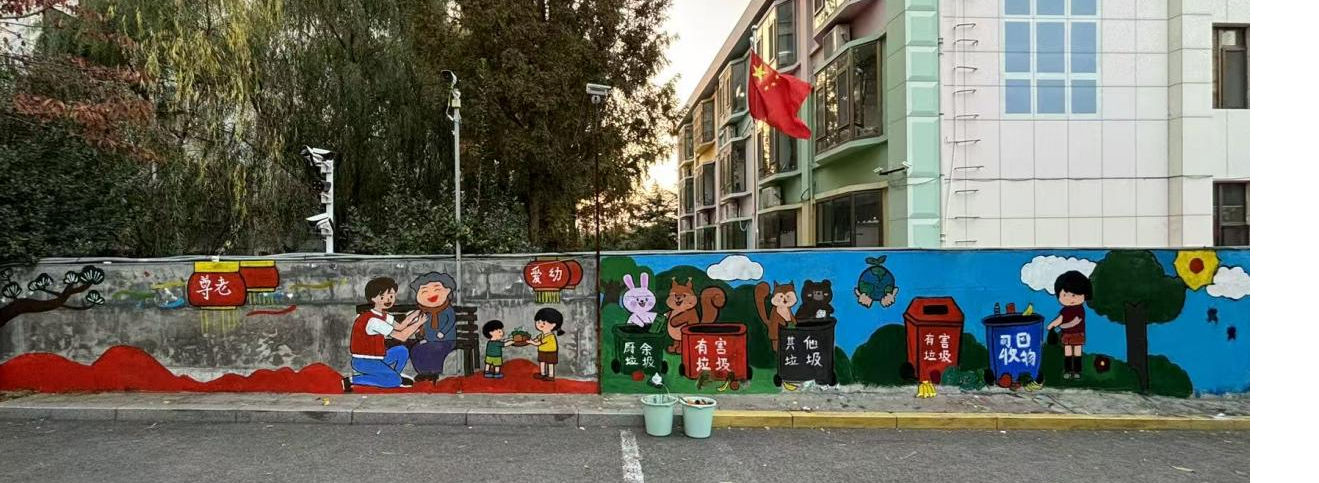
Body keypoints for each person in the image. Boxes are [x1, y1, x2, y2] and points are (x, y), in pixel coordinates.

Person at [346, 277, 424, 390]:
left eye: (391, 296)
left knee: (402, 351)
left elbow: (400, 326)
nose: (388, 300)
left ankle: (393, 376)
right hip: (363, 362)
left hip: (377, 358)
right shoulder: (373, 320)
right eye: (382, 297)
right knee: (394, 380)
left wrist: (415, 314)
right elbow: (402, 336)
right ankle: (351, 380)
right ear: (373, 298)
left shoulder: (382, 315)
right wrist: (419, 323)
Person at [408, 272, 458, 381]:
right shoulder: (425, 312)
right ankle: (423, 373)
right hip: (429, 340)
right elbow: (423, 326)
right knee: (416, 349)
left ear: (447, 291)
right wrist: (421, 335)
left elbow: (450, 322)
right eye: (424, 291)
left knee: (435, 349)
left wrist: (443, 332)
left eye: (436, 289)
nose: (430, 294)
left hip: (446, 340)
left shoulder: (448, 309)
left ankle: (434, 372)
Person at [1046, 270, 1093, 380]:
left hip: (1077, 334)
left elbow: (1075, 321)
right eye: (1065, 295)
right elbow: (1060, 319)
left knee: (1077, 352)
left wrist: (1062, 326)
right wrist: (1052, 325)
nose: (1070, 298)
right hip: (1066, 335)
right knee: (1067, 352)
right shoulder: (1064, 310)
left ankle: (1077, 371)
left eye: (1073, 295)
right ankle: (1068, 371)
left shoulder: (1080, 309)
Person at [526, 307, 564, 381]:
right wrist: (530, 340)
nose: (540, 324)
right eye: (538, 322)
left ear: (553, 325)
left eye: (543, 323)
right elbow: (537, 339)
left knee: (550, 364)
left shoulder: (550, 336)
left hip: (551, 352)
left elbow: (538, 343)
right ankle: (542, 374)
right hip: (542, 351)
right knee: (542, 362)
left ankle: (551, 375)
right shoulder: (542, 335)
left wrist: (531, 342)